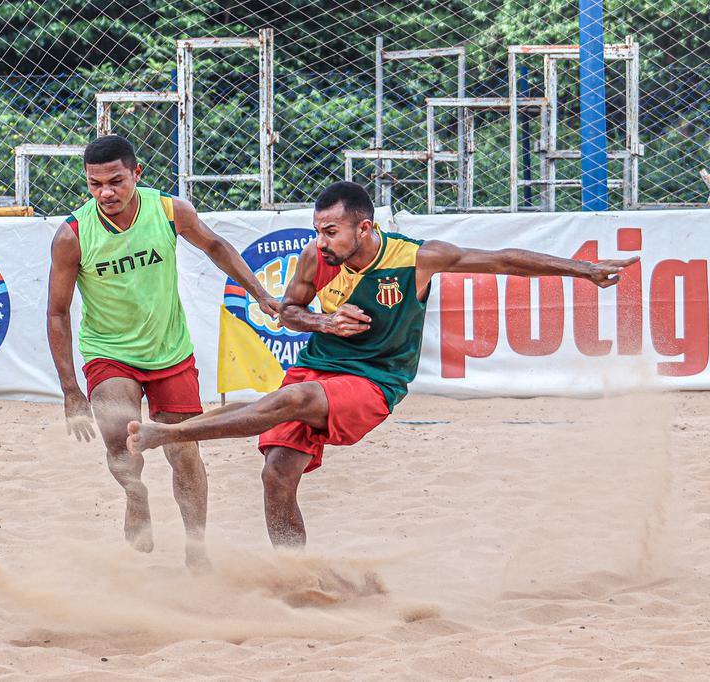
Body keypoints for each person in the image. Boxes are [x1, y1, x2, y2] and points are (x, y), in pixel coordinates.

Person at [127, 181, 639, 549]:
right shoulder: (316, 258)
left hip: (375, 380)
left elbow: (505, 260)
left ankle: (172, 434)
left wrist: (585, 270)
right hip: (319, 365)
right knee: (276, 474)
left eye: (331, 231)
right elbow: (289, 312)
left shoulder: (418, 258)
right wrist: (325, 323)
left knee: (292, 400)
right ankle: (294, 576)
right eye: (318, 231)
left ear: (365, 227)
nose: (321, 241)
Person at [47, 134, 279, 568]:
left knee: (184, 451)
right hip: (109, 352)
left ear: (137, 173)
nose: (105, 193)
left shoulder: (170, 210)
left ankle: (196, 549)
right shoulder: (72, 235)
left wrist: (261, 294)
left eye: (115, 181)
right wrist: (70, 390)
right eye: (95, 184)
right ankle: (135, 495)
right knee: (120, 437)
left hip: (169, 352)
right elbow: (57, 313)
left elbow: (215, 246)